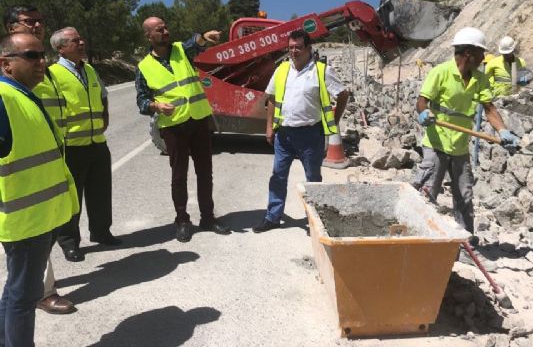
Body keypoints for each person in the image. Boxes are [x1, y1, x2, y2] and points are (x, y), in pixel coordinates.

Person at [0, 32, 79, 346]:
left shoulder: (22, 94)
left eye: (42, 54)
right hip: (25, 222)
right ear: (6, 64)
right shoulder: (4, 98)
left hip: (36, 217)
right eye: (31, 56)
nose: (42, 62)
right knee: (24, 296)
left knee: (16, 291)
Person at [412, 27, 519, 238]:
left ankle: (465, 243)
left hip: (460, 147)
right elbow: (422, 101)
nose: (483, 58)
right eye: (481, 53)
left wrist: (503, 131)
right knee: (426, 194)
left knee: (465, 196)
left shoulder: (479, 79)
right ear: (469, 53)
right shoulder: (441, 72)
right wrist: (424, 113)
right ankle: (416, 238)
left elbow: (489, 108)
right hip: (436, 143)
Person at [135, 17, 230, 242]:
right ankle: (182, 220)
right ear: (149, 36)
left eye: (166, 27)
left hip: (197, 120)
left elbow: (196, 42)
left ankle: (208, 218)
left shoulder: (180, 50)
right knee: (179, 176)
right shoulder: (143, 67)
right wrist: (155, 105)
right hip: (173, 127)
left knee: (205, 172)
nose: (166, 31)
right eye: (160, 30)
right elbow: (141, 100)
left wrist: (205, 37)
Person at [253, 30, 350, 233]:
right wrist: (269, 126)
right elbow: (271, 99)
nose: (294, 51)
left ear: (308, 48)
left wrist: (335, 119)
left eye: (298, 47)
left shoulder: (322, 71)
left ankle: (316, 220)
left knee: (313, 179)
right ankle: (273, 216)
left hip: (310, 135)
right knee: (278, 176)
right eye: (290, 47)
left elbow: (342, 94)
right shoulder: (281, 70)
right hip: (284, 135)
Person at [50, 27, 120, 262]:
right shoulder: (52, 74)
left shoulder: (89, 68)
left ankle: (101, 232)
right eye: (74, 40)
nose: (81, 42)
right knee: (72, 198)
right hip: (72, 145)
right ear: (60, 48)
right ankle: (70, 243)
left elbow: (102, 94)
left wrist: (105, 117)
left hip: (97, 142)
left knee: (101, 191)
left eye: (81, 39)